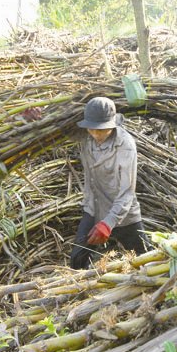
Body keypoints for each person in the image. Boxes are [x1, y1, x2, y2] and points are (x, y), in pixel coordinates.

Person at [70, 97, 151, 269]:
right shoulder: (86, 138)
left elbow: (127, 192)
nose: (96, 134)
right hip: (94, 207)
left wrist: (108, 223)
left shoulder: (125, 145)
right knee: (77, 260)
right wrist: (32, 118)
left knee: (146, 260)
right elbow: (54, 135)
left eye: (102, 130)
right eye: (92, 129)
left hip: (122, 213)